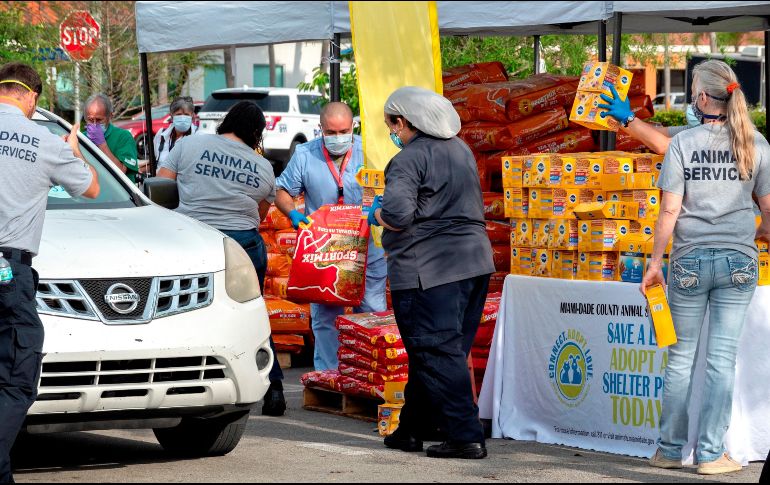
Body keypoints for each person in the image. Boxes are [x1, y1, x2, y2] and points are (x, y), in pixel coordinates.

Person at [640, 60, 770, 475]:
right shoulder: (757, 143)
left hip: (689, 261)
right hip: (738, 263)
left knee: (679, 359)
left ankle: (670, 449)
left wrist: (655, 263)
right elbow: (769, 211)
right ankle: (712, 455)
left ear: (700, 98)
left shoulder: (684, 144)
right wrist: (761, 232)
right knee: (721, 359)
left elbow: (669, 212)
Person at [368, 86, 495, 460]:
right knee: (439, 351)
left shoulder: (408, 158)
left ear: (403, 121)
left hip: (429, 269)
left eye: (392, 124)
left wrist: (375, 214)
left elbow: (396, 215)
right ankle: (414, 428)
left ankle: (465, 435)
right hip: (473, 263)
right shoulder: (461, 149)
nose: (392, 131)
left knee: (436, 351)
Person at [0, 62, 100, 483]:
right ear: (33, 97)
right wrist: (74, 152)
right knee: (17, 378)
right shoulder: (43, 142)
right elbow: (91, 187)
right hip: (8, 273)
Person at [157, 100, 287, 416]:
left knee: (182, 312)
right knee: (252, 314)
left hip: (192, 239)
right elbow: (258, 214)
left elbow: (160, 189)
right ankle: (275, 389)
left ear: (226, 122)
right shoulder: (263, 166)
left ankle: (177, 383)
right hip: (242, 246)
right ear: (257, 132)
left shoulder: (188, 145)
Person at [274, 102, 387, 371]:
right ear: (321, 129)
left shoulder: (369, 150)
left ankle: (368, 373)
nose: (339, 138)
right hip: (325, 249)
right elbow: (282, 191)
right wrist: (292, 213)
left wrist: (378, 207)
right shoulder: (304, 154)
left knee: (371, 312)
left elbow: (387, 189)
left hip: (366, 246)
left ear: (353, 127)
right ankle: (327, 374)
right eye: (332, 132)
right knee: (325, 316)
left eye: (344, 131)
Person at [598, 84, 700, 155]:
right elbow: (652, 132)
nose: (691, 103)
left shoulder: (709, 135)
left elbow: (663, 145)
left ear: (704, 98)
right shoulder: (692, 130)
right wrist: (617, 119)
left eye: (694, 96)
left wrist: (627, 117)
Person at [82, 93, 141, 183]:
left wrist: (102, 144)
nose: (94, 124)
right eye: (90, 120)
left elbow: (121, 171)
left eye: (99, 120)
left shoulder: (123, 137)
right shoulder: (81, 138)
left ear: (110, 116)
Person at [153, 96, 198, 166]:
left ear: (192, 115)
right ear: (171, 115)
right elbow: (154, 160)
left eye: (186, 114)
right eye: (178, 114)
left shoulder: (198, 136)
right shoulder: (161, 135)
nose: (183, 118)